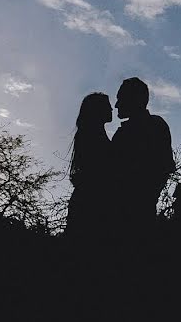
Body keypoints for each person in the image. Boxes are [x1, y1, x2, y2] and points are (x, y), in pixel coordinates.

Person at [111, 77, 175, 232]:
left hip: (131, 215)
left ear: (133, 100)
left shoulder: (130, 133)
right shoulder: (155, 126)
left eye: (120, 99)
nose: (117, 105)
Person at [65, 92, 113, 238]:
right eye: (108, 106)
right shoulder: (93, 136)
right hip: (90, 204)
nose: (112, 109)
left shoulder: (90, 134)